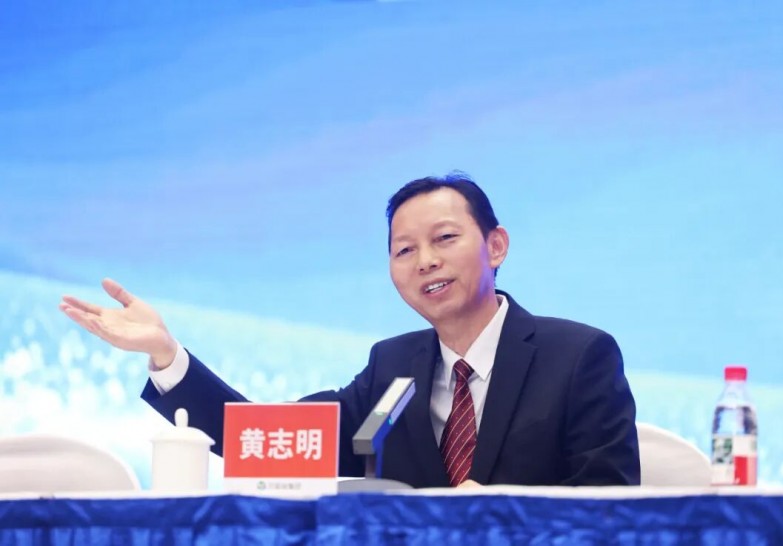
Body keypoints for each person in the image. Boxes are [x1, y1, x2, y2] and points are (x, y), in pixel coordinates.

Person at [60, 173, 640, 488]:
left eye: (444, 239)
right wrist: (167, 356)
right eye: (404, 250)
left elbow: (615, 516)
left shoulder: (578, 357)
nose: (425, 261)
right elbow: (264, 441)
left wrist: (501, 515)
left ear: (496, 246)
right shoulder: (393, 371)